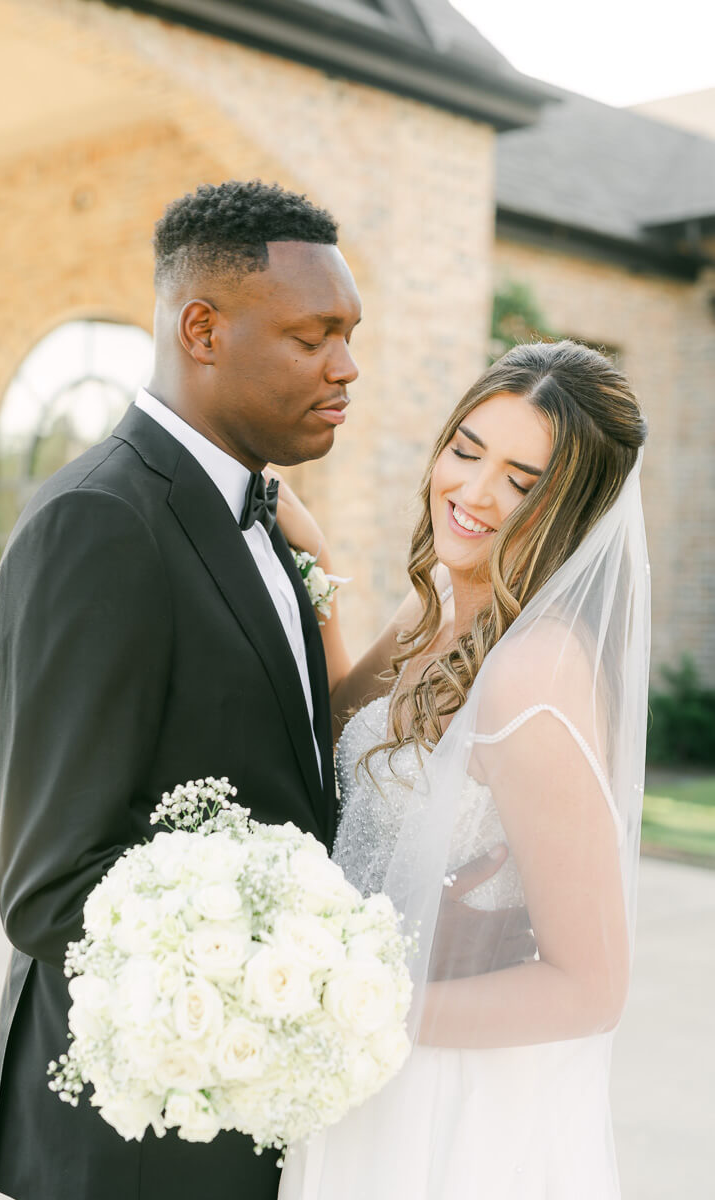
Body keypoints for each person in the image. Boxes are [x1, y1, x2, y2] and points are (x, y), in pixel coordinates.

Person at [0, 180, 521, 1200]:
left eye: (350, 334)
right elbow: (54, 888)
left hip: (261, 1123)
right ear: (203, 329)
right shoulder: (97, 527)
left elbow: (288, 761)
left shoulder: (262, 511)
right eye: (316, 335)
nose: (348, 366)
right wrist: (324, 974)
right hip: (134, 1147)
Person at [275, 339, 650, 1199]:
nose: (474, 493)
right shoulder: (441, 597)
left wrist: (362, 1007)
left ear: (573, 511)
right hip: (359, 1076)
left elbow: (590, 988)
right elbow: (334, 729)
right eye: (467, 451)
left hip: (447, 1108)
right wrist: (316, 561)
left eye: (522, 482)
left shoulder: (534, 675)